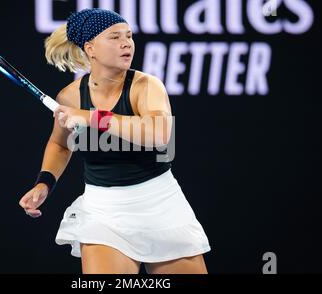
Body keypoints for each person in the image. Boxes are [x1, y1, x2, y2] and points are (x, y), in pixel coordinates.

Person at [19, 8, 211, 274]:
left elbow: (159, 135)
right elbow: (60, 144)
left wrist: (91, 118)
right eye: (115, 37)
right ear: (91, 48)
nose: (126, 43)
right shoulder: (70, 97)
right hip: (104, 212)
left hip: (162, 203)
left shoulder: (147, 86)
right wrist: (44, 182)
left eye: (129, 36)